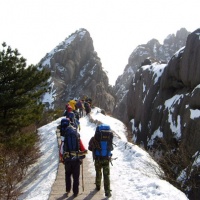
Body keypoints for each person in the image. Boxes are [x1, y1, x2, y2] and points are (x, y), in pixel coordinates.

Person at [59, 118, 87, 197]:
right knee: (76, 176)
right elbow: (83, 149)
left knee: (67, 174)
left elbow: (61, 150)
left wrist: (62, 158)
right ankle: (75, 192)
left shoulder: (64, 137)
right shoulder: (77, 137)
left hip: (67, 160)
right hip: (76, 160)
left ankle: (68, 189)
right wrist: (82, 155)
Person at [88, 124, 113, 197]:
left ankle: (98, 186)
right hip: (106, 158)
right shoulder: (109, 137)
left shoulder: (95, 138)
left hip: (98, 159)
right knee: (106, 175)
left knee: (98, 173)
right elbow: (111, 148)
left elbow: (89, 147)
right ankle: (107, 192)